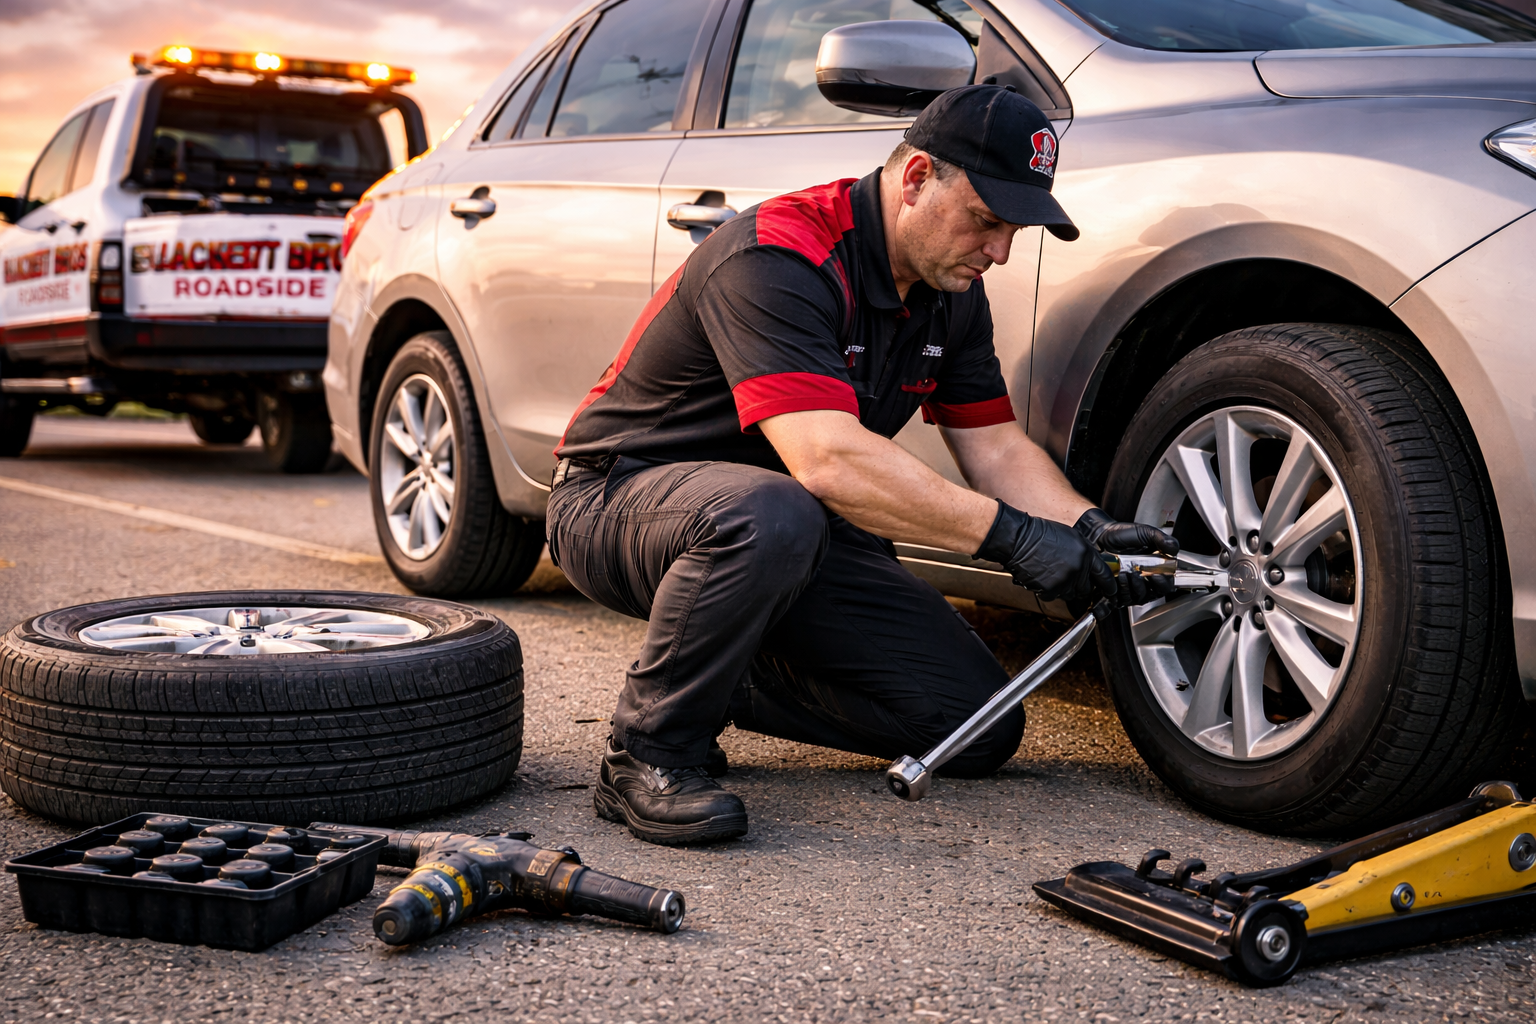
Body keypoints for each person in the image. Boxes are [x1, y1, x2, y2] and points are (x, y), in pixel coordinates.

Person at [545, 85, 1178, 846]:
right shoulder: (779, 255)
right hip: (621, 501)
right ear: (915, 180)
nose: (1001, 251)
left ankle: (711, 671)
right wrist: (1016, 540)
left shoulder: (950, 294)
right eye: (986, 220)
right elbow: (827, 461)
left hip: (788, 533)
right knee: (772, 510)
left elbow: (997, 447)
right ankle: (648, 750)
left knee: (976, 727)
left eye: (1014, 229)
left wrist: (1087, 526)